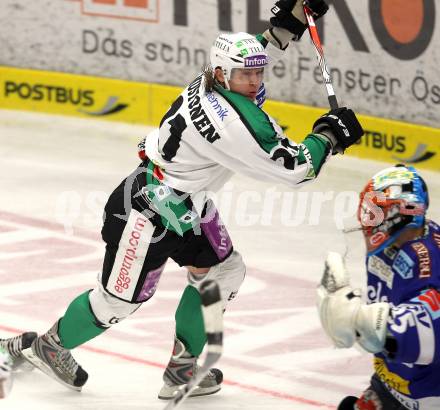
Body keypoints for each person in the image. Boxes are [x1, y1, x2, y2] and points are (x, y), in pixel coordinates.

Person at [20, 0, 364, 399]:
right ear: (222, 74)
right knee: (115, 304)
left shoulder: (214, 79)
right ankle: (48, 347)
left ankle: (182, 371)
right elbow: (293, 169)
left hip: (187, 205)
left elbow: (249, 50)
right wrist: (329, 136)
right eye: (245, 75)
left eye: (257, 72)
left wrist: (284, 27)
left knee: (223, 272)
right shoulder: (233, 122)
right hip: (146, 212)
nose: (253, 81)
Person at [317, 164, 440, 410]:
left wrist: (360, 319)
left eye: (376, 211)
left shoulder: (426, 258)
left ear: (401, 212)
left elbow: (431, 333)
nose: (367, 220)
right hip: (392, 386)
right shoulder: (385, 250)